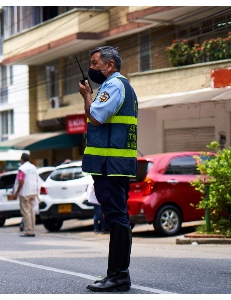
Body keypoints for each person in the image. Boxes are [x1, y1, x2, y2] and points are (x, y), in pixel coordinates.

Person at [79, 46, 138, 292]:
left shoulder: (114, 85)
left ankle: (118, 275)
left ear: (110, 65)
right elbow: (96, 115)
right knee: (116, 217)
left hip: (110, 165)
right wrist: (90, 97)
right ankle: (116, 274)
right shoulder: (113, 86)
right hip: (112, 165)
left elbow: (95, 117)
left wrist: (86, 96)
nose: (92, 68)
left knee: (116, 217)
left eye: (95, 63)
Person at [10, 153, 40, 237]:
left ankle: (29, 231)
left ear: (22, 159)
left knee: (26, 212)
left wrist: (16, 193)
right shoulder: (33, 168)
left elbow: (20, 181)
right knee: (31, 211)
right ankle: (32, 229)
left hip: (25, 192)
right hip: (33, 192)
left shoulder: (22, 168)